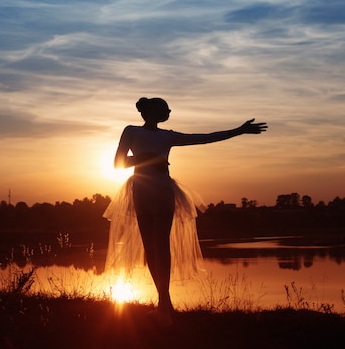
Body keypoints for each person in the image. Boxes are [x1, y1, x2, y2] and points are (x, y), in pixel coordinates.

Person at [103, 97, 267, 326]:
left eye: (165, 110)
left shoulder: (167, 135)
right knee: (150, 246)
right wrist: (144, 158)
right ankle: (165, 305)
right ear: (148, 111)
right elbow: (118, 164)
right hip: (140, 188)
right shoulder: (131, 131)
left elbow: (204, 139)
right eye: (162, 109)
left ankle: (164, 307)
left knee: (161, 244)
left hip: (161, 188)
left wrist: (239, 130)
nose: (166, 112)